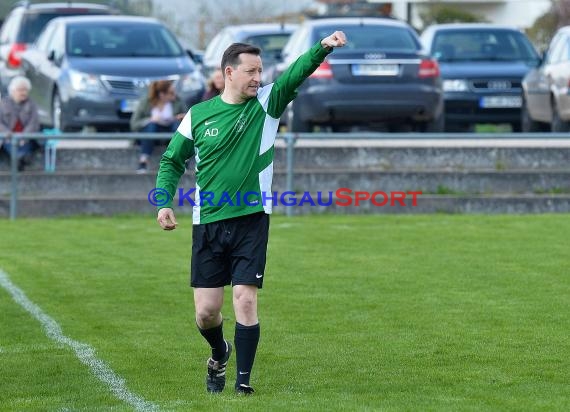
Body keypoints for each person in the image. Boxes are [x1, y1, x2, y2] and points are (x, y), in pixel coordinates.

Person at [154, 30, 347, 395]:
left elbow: (294, 74)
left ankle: (243, 384)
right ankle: (219, 352)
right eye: (251, 72)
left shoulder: (267, 104)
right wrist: (164, 201)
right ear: (229, 72)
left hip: (252, 218)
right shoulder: (198, 115)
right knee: (206, 313)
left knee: (245, 296)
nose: (259, 78)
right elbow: (171, 161)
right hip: (208, 222)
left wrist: (322, 48)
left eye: (260, 71)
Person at [130, 80, 188, 173]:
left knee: (177, 126)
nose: (174, 95)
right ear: (162, 94)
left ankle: (181, 161)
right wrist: (150, 120)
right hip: (151, 134)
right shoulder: (146, 102)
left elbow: (188, 118)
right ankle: (143, 161)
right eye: (171, 93)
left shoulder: (177, 101)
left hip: (171, 132)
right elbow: (134, 124)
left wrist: (182, 117)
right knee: (151, 126)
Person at [0, 76, 40, 171]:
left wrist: (23, 136)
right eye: (20, 90)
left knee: (26, 145)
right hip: (8, 138)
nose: (23, 93)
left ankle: (19, 158)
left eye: (26, 90)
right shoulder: (2, 104)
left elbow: (33, 123)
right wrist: (10, 135)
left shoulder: (32, 105)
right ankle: (19, 158)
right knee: (11, 145)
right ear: (13, 91)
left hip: (26, 138)